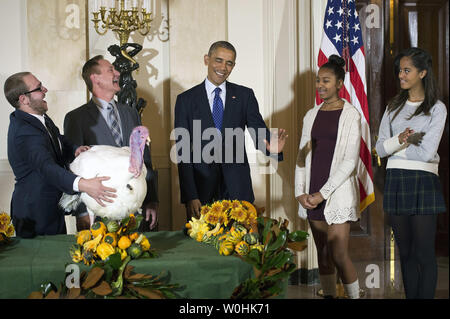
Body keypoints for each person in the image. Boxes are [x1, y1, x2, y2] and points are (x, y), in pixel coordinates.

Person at [174, 41, 287, 221]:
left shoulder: (244, 96)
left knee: (241, 245)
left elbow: (258, 131)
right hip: (201, 187)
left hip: (237, 185)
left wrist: (272, 150)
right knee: (201, 245)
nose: (223, 67)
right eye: (218, 60)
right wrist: (190, 195)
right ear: (206, 60)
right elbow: (183, 151)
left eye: (229, 63)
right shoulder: (186, 100)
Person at [4, 71, 116, 238]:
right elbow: (46, 167)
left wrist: (75, 149)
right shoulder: (24, 131)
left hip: (50, 208)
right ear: (23, 99)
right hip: (35, 214)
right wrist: (84, 184)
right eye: (39, 88)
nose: (45, 89)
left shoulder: (37, 117)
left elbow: (57, 139)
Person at [375, 47, 447, 299]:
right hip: (396, 181)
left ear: (422, 73)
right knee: (405, 253)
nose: (401, 75)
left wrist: (397, 146)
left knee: (424, 253)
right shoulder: (393, 107)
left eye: (407, 70)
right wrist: (403, 141)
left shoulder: (436, 108)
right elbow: (379, 149)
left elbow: (428, 153)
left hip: (424, 181)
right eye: (400, 70)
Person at [64, 55, 159, 231]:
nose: (118, 73)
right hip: (99, 212)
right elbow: (74, 168)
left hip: (135, 209)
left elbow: (145, 158)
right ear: (95, 78)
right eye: (111, 70)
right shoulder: (76, 118)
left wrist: (151, 200)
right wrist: (82, 213)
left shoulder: (131, 113)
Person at [295, 55, 362, 299]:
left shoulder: (351, 115)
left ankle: (355, 295)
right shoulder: (310, 115)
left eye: (326, 80)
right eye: (317, 80)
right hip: (311, 191)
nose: (320, 85)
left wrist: (322, 193)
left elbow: (349, 161)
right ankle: (330, 295)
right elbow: (302, 157)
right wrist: (300, 192)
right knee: (323, 254)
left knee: (338, 251)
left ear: (339, 83)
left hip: (338, 192)